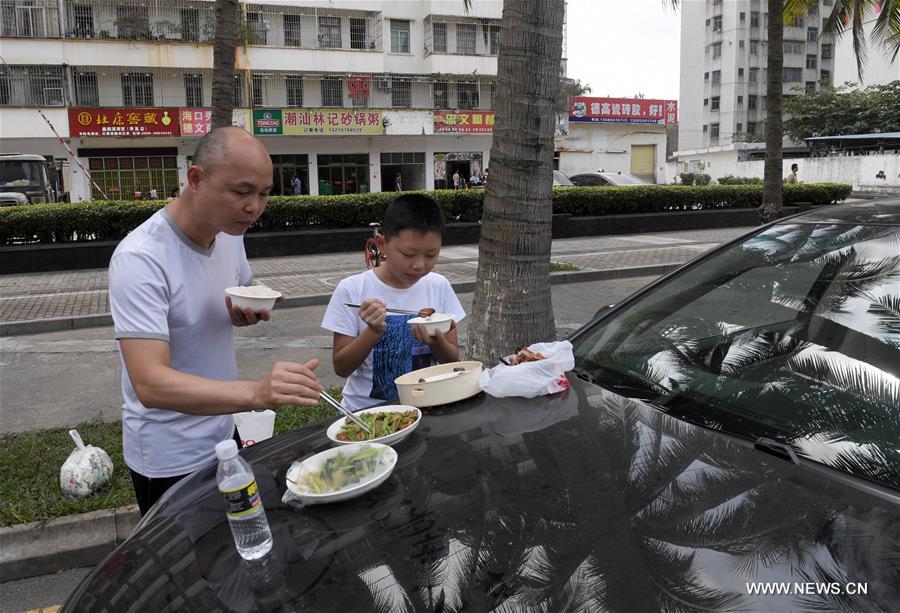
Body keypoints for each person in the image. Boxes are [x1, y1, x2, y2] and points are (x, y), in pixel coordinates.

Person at [108, 127, 322, 515]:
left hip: (223, 430)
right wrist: (257, 393)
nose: (254, 207)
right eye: (241, 192)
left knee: (240, 547)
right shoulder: (141, 259)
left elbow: (230, 295)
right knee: (190, 568)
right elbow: (150, 383)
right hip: (168, 456)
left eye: (264, 193)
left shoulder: (230, 234)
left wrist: (243, 312)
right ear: (196, 179)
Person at [321, 194, 465, 411]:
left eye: (431, 255)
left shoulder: (439, 286)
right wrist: (373, 331)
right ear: (382, 244)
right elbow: (341, 367)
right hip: (366, 412)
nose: (419, 265)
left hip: (425, 406)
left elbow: (452, 361)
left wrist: (436, 341)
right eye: (408, 254)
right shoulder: (352, 289)